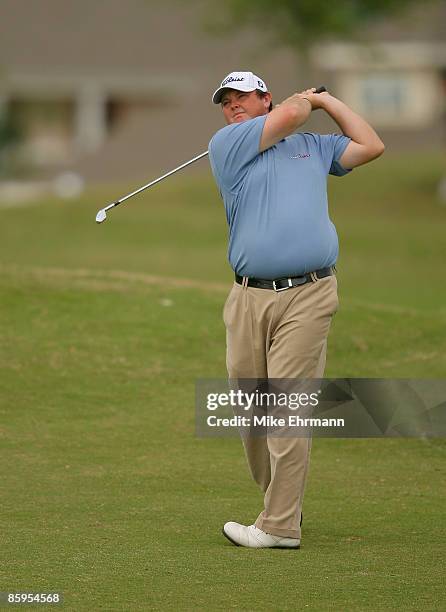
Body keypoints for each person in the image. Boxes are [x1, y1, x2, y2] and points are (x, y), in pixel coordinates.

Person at [208, 71, 384, 549]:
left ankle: (280, 526)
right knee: (252, 411)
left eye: (241, 97)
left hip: (309, 293)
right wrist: (306, 100)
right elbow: (289, 113)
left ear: (262, 97)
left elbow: (370, 146)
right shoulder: (229, 144)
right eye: (226, 101)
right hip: (247, 298)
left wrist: (329, 102)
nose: (233, 107)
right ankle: (281, 503)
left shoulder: (315, 146)